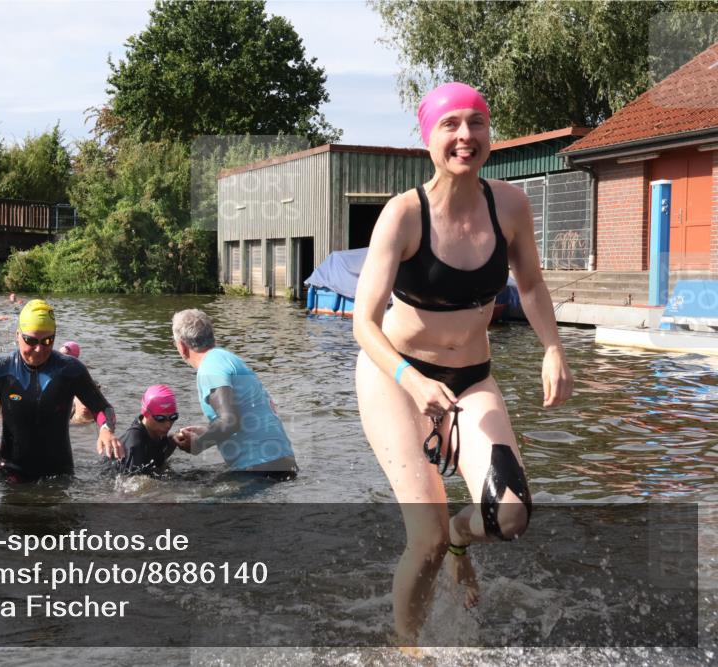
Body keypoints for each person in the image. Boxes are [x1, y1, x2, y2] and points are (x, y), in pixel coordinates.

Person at [351, 83, 574, 644]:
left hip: (472, 379)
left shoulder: (511, 206)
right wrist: (412, 379)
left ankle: (460, 537)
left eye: (476, 123)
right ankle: (408, 647)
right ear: (429, 138)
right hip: (395, 377)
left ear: (488, 134)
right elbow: (363, 323)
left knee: (511, 515)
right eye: (450, 124)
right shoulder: (403, 215)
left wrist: (552, 347)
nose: (465, 136)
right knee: (420, 540)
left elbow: (532, 282)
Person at [0, 299, 124, 480]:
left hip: (58, 473)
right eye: (30, 340)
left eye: (47, 341)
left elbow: (102, 408)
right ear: (17, 335)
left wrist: (106, 430)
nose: (38, 349)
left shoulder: (70, 370)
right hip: (9, 472)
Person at [171, 309, 297, 477]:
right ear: (212, 336)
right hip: (284, 462)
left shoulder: (210, 368)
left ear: (181, 345)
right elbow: (242, 416)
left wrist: (198, 444)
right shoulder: (227, 358)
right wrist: (207, 430)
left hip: (260, 466)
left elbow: (229, 421)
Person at [107, 385, 185, 475]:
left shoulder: (154, 431)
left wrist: (173, 441)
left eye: (173, 417)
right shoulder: (135, 446)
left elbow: (157, 457)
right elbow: (129, 483)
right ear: (145, 414)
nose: (168, 425)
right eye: (160, 418)